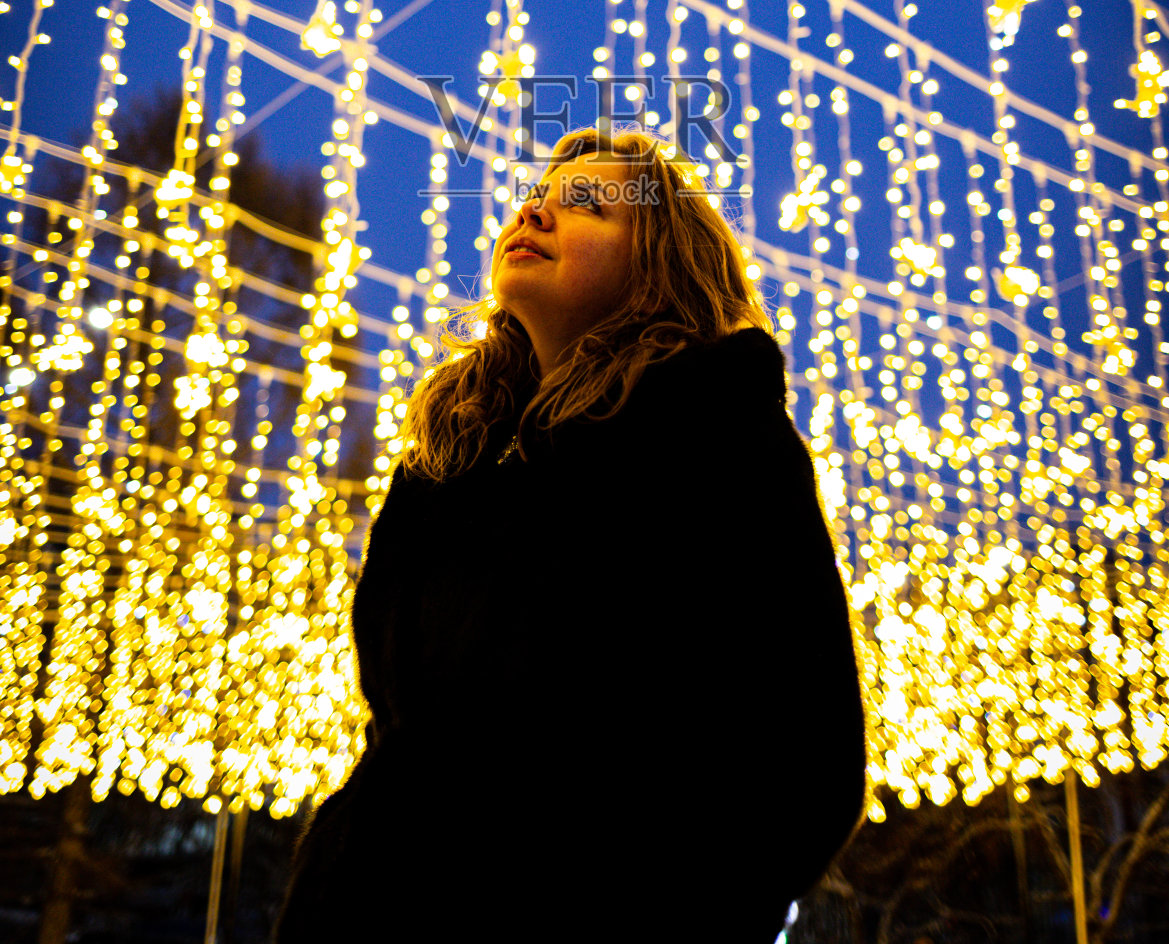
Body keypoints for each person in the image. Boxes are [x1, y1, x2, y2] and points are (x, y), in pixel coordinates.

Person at [275, 127, 866, 943]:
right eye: (536, 197)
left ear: (658, 264)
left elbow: (805, 755)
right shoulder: (447, 457)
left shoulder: (717, 439)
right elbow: (399, 732)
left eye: (586, 204)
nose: (536, 213)